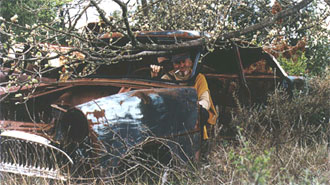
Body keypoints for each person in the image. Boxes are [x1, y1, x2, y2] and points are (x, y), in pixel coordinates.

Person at [150, 53, 218, 139]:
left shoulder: (198, 78)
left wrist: (195, 107)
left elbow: (205, 100)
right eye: (177, 62)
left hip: (192, 115)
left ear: (191, 63)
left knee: (202, 113)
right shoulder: (167, 78)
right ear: (173, 65)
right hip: (172, 118)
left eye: (184, 61)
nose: (181, 65)